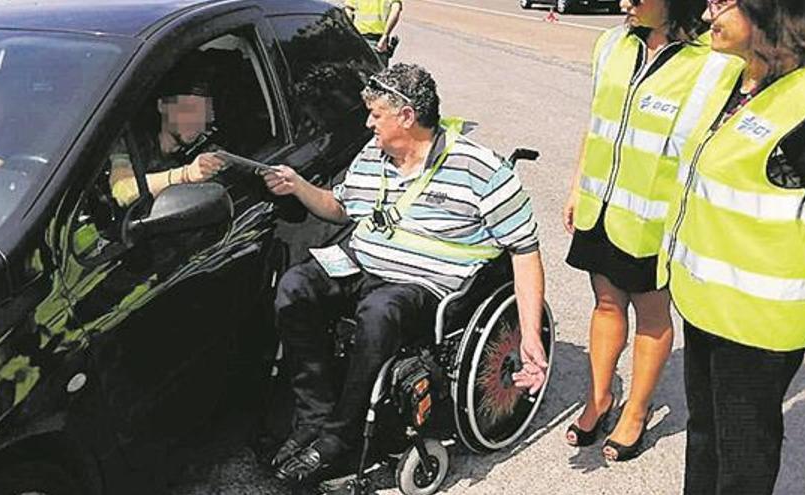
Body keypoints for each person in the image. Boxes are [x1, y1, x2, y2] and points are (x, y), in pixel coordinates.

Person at [262, 63, 546, 483]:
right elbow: (341, 207)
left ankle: (340, 439)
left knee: (380, 311)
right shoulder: (372, 156)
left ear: (407, 117)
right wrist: (298, 185)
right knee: (295, 286)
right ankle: (313, 417)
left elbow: (524, 250)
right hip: (364, 262)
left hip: (425, 285)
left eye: (376, 115)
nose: (367, 123)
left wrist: (531, 335)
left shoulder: (479, 169)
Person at [562, 0, 741, 461]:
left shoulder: (714, 64)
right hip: (600, 207)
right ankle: (599, 398)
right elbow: (596, 122)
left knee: (651, 316)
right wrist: (577, 186)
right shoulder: (611, 44)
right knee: (605, 303)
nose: (624, 3)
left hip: (655, 219)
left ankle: (636, 412)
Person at [656, 0, 805, 491]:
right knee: (704, 434)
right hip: (707, 307)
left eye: (723, 3)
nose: (709, 15)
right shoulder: (734, 80)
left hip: (759, 324)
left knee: (743, 456)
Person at [108, 55, 224, 206]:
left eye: (205, 112)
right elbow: (122, 190)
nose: (197, 121)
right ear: (162, 106)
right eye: (189, 109)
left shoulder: (207, 147)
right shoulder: (131, 142)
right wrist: (186, 175)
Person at [344, 0, 402, 66]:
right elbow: (395, 11)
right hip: (378, 41)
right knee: (379, 73)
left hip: (358, 38)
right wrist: (385, 36)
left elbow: (348, 10)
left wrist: (349, 32)